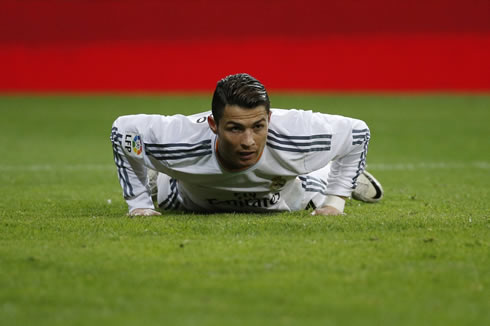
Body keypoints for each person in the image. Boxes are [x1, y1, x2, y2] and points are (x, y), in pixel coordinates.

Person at [110, 73, 383, 217]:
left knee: (312, 189)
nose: (248, 142)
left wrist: (335, 202)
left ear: (269, 120)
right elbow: (123, 131)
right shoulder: (179, 138)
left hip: (282, 193)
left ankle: (338, 177)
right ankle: (160, 174)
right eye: (235, 129)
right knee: (163, 188)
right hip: (190, 197)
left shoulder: (299, 134)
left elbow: (357, 133)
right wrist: (139, 204)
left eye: (258, 127)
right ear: (214, 125)